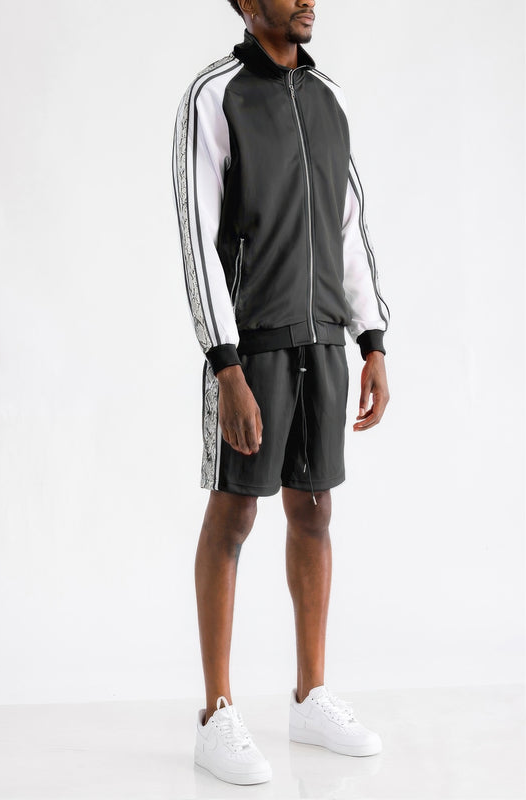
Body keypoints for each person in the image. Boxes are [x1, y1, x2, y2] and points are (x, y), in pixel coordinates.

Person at [171, 0, 390, 786]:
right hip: (251, 343)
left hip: (324, 337)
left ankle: (310, 695)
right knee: (234, 513)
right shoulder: (215, 95)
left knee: (315, 509)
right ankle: (216, 713)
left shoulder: (328, 99)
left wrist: (371, 339)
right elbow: (196, 235)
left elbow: (348, 227)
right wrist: (224, 363)